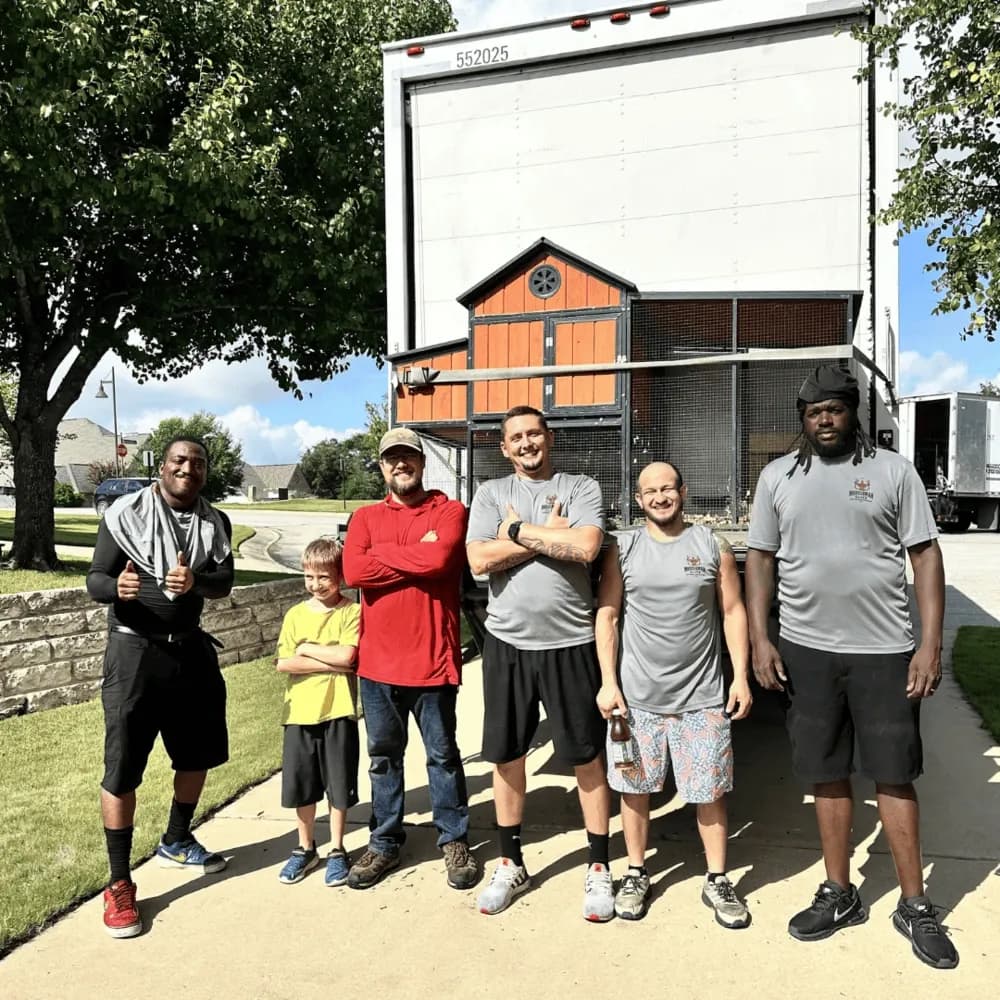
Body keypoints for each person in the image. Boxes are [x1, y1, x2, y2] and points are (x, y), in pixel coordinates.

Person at [745, 364, 958, 970]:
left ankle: (915, 904)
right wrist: (763, 639)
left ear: (852, 412)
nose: (825, 419)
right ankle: (840, 892)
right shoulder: (777, 478)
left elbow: (925, 555)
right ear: (803, 421)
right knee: (825, 771)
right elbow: (760, 560)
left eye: (835, 409)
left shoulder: (893, 472)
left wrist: (929, 643)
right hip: (807, 651)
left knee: (894, 773)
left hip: (885, 650)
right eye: (814, 413)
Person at [466, 405, 611, 920]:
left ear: (549, 438)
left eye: (534, 433)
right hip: (507, 644)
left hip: (571, 642)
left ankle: (598, 867)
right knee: (507, 755)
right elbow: (478, 562)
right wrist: (543, 537)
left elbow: (588, 546)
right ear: (504, 449)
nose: (527, 443)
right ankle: (510, 861)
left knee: (585, 755)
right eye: (516, 438)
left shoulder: (581, 486)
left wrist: (514, 532)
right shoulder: (489, 494)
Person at [86, 437, 234, 939]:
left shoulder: (215, 522)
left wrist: (197, 583)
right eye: (179, 461)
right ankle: (120, 881)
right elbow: (95, 578)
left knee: (197, 755)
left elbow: (224, 580)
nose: (187, 469)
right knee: (124, 763)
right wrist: (116, 589)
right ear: (163, 466)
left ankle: (176, 838)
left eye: (197, 463)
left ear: (204, 472)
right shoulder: (125, 515)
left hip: (190, 650)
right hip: (134, 651)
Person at [595, 461, 753, 925]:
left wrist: (739, 675)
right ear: (638, 499)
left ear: (683, 491)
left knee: (709, 792)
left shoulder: (712, 545)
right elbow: (608, 615)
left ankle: (718, 879)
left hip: (702, 699)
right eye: (650, 491)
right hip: (638, 701)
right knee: (635, 788)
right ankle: (636, 871)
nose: (660, 497)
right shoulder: (623, 549)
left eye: (668, 488)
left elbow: (733, 610)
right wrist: (608, 682)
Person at [341, 427, 478, 891]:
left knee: (442, 757)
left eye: (408, 458)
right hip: (377, 666)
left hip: (432, 661)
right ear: (381, 467)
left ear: (421, 463)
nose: (400, 465)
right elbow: (354, 570)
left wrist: (385, 556)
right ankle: (384, 841)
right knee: (383, 758)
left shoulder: (449, 510)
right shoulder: (364, 518)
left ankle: (454, 839)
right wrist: (411, 554)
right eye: (391, 459)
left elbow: (441, 560)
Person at [274, 537, 361, 886]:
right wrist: (330, 659)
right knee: (303, 786)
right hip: (299, 714)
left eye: (324, 577)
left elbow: (348, 657)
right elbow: (284, 663)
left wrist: (308, 650)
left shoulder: (351, 611)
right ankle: (305, 847)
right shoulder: (296, 614)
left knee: (338, 786)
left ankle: (337, 849)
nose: (316, 584)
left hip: (338, 711)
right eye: (309, 577)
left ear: (339, 575)